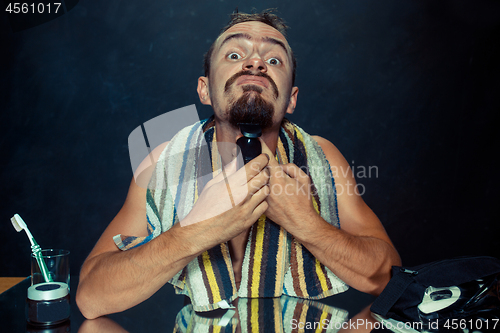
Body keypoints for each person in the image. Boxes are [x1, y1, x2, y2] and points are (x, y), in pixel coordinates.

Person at [76, 10, 401, 320]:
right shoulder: (162, 163)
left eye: (273, 60)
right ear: (205, 89)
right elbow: (91, 298)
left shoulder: (323, 158)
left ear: (292, 99)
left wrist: (306, 222)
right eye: (234, 55)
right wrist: (195, 232)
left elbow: (390, 279)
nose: (256, 62)